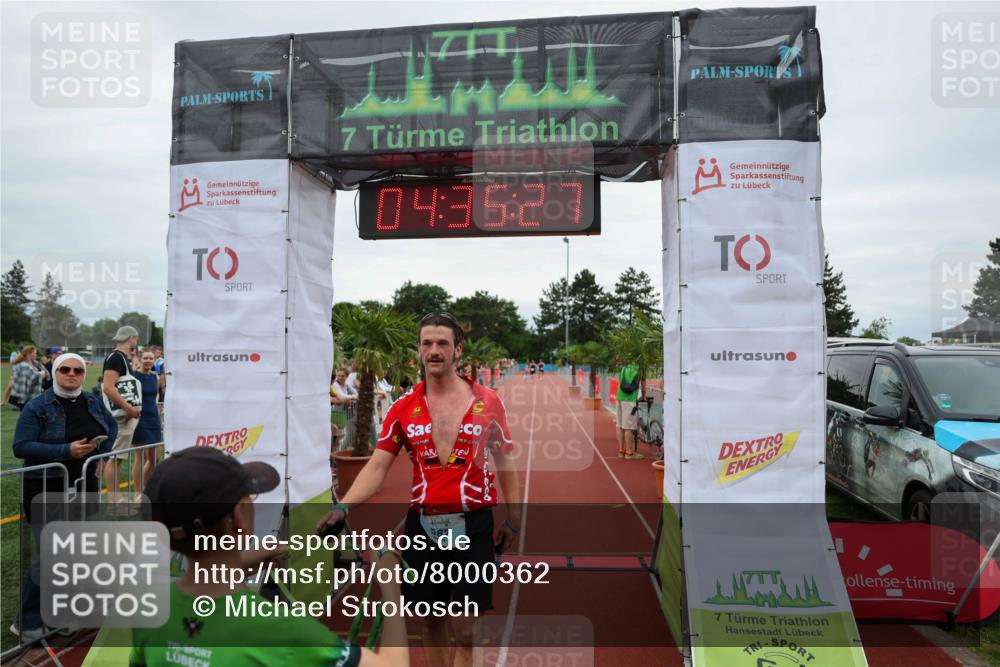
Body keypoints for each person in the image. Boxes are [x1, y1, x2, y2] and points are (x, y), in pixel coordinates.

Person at [318, 312, 521, 667]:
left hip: (473, 526)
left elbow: (505, 461)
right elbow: (378, 465)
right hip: (422, 528)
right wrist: (345, 506)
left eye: (443, 343)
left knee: (468, 630)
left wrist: (515, 520)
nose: (434, 350)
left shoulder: (488, 402)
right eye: (427, 343)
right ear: (419, 351)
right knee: (431, 621)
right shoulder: (402, 408)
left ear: (458, 350)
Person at [132, 446, 408, 667]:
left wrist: (240, 564)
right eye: (249, 497)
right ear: (239, 515)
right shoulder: (284, 630)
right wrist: (391, 586)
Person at [12, 352, 116, 641]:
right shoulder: (37, 406)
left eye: (78, 370)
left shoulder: (93, 401)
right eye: (65, 370)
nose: (72, 374)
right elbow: (20, 446)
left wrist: (101, 456)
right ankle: (27, 622)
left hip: (84, 486)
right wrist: (64, 452)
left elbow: (111, 427)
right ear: (56, 372)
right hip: (46, 488)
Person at [102, 325, 143, 501]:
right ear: (131, 338)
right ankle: (114, 497)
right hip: (122, 416)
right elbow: (108, 388)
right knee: (116, 457)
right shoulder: (116, 358)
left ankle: (116, 496)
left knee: (118, 457)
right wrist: (129, 409)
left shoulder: (120, 357)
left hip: (124, 414)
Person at [131, 349, 164, 498]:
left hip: (154, 419)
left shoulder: (154, 377)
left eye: (151, 358)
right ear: (141, 359)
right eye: (145, 358)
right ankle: (138, 492)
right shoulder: (134, 376)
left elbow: (156, 395)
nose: (148, 361)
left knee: (155, 458)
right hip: (140, 419)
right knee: (141, 457)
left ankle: (147, 489)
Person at [615, 362, 643, 459]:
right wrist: (643, 395)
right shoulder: (639, 368)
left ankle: (621, 451)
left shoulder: (624, 367)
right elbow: (642, 383)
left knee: (619, 425)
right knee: (628, 427)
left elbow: (620, 381)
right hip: (629, 400)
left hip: (619, 398)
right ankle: (629, 452)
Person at [10, 346, 49, 410]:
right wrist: (41, 373)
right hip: (24, 397)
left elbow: (47, 374)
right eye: (35, 353)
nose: (36, 355)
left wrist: (41, 374)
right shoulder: (23, 365)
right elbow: (35, 376)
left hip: (34, 394)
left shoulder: (35, 363)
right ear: (29, 354)